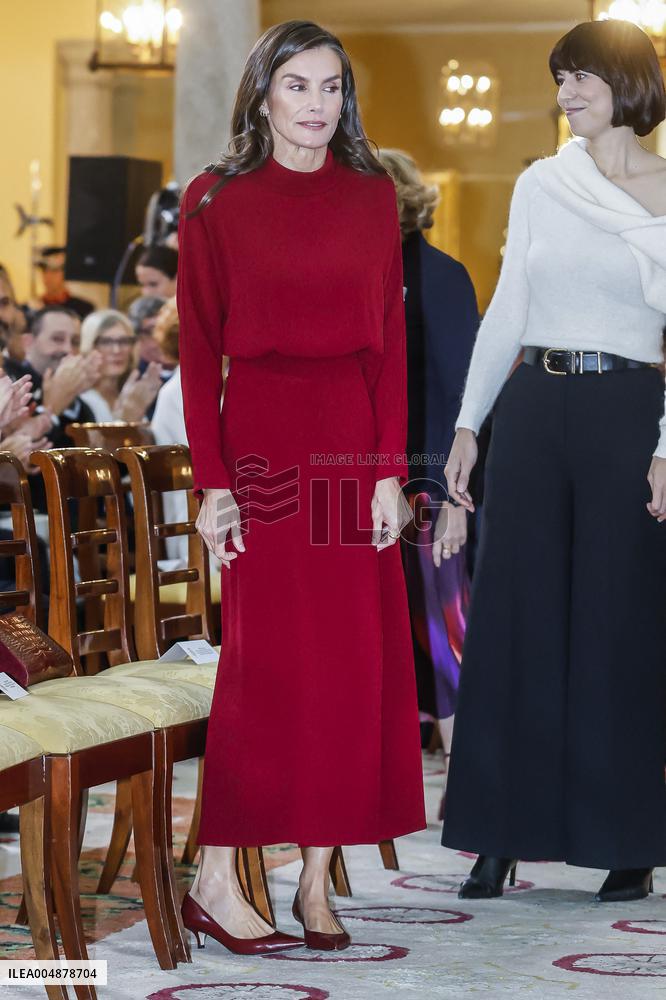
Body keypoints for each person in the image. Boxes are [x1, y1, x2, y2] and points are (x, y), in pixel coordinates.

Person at [177, 19, 425, 956]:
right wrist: (212, 484)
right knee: (266, 668)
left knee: (347, 666)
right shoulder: (214, 200)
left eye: (332, 88)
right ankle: (216, 876)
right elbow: (200, 351)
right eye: (299, 87)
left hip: (350, 454)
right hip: (262, 450)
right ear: (263, 95)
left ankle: (318, 882)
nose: (318, 105)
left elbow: (393, 351)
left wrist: (391, 473)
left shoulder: (373, 199)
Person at [442, 19, 666, 903]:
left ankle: (625, 838)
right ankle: (500, 835)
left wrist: (665, 448)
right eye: (560, 78)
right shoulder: (542, 182)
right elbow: (508, 304)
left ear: (629, 83)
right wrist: (469, 424)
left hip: (627, 410)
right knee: (515, 617)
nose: (566, 93)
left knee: (619, 622)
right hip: (534, 407)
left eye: (582, 77)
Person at [378, 148, 478, 803]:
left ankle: (468, 780)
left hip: (428, 479)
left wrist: (450, 497)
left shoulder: (439, 274)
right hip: (363, 482)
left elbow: (464, 393)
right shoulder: (356, 273)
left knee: (446, 634)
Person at [79, 309, 162, 423]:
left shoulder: (133, 393)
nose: (116, 350)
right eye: (106, 342)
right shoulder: (80, 400)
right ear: (89, 346)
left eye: (124, 341)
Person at [33, 245, 95, 320]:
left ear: (66, 273)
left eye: (54, 271)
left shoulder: (83, 309)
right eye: (44, 271)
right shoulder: (33, 309)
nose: (48, 276)